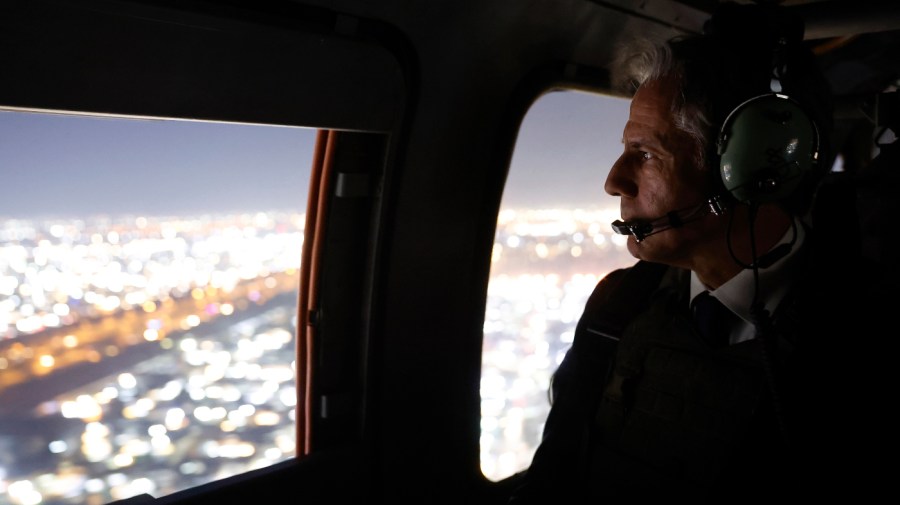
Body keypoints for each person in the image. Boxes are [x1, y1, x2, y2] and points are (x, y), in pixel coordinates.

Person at [507, 2, 889, 503]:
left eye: (645, 155)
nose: (612, 181)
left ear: (750, 168)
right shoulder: (615, 307)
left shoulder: (867, 337)